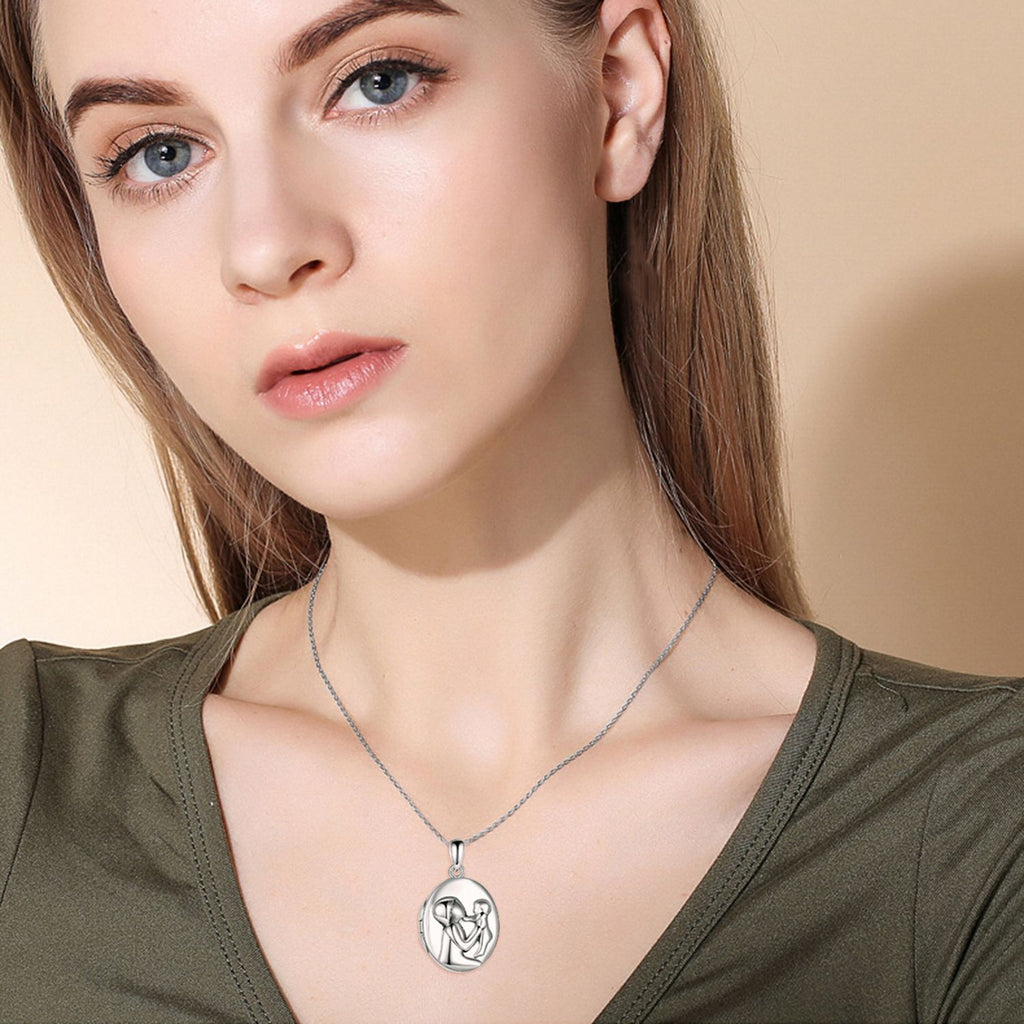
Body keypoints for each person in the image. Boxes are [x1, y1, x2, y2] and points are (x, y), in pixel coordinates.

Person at [0, 0, 1019, 1022]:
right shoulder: (24, 781)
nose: (265, 248)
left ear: (619, 93)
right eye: (160, 153)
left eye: (377, 82)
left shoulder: (979, 832)